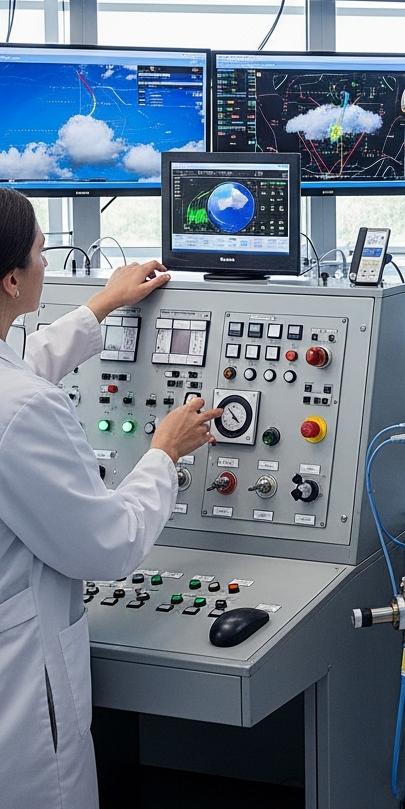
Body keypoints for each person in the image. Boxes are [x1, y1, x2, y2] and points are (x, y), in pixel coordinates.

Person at [0, 187, 222, 809]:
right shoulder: (25, 411)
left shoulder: (14, 391)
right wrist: (164, 453)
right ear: (14, 280)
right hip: (17, 694)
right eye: (43, 252)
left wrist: (101, 305)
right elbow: (107, 544)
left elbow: (20, 367)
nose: (49, 262)